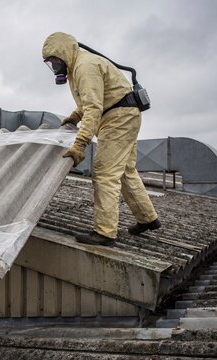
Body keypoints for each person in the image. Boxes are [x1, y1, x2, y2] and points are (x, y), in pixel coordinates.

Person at [42, 32, 161, 247]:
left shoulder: (84, 67)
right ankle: (148, 218)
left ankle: (105, 233)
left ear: (64, 53)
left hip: (118, 118)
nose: (55, 66)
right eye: (51, 63)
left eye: (56, 60)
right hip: (124, 114)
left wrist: (79, 144)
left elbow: (94, 108)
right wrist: (75, 116)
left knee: (105, 173)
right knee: (125, 170)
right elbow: (91, 100)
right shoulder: (77, 67)